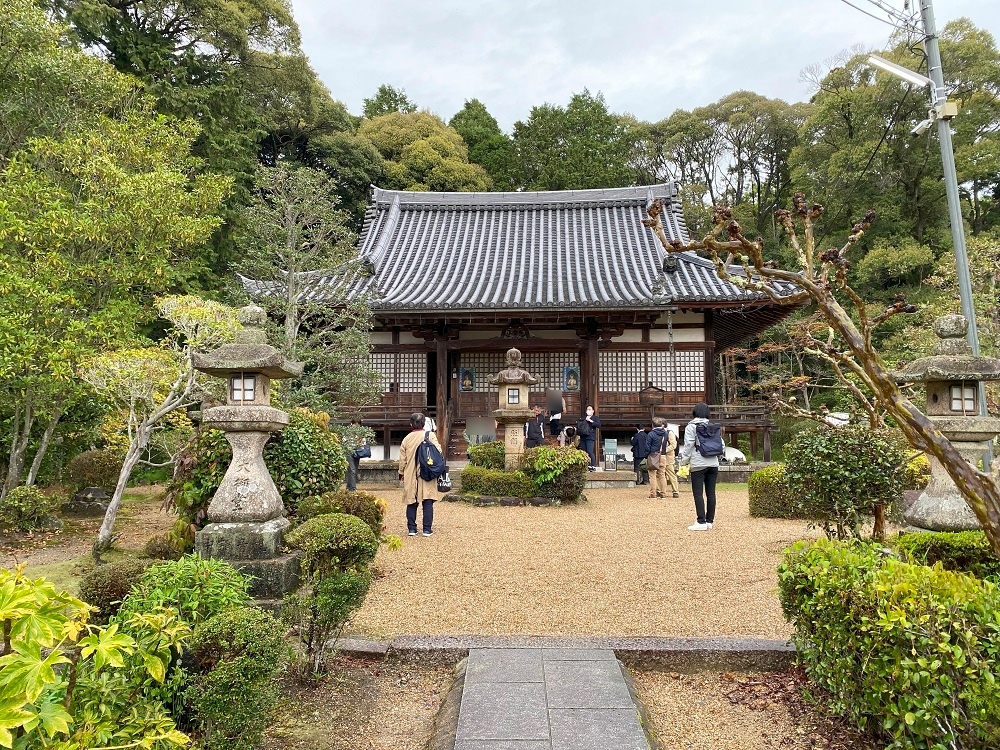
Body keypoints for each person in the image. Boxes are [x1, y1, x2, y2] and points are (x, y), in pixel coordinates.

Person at [398, 412, 442, 536]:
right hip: (427, 473)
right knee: (428, 501)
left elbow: (403, 460)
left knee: (412, 501)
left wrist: (401, 473)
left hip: (411, 473)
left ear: (410, 424)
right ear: (424, 423)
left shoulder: (407, 439)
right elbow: (439, 452)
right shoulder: (430, 435)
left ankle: (412, 529)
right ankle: (427, 529)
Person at [677, 402, 720, 531]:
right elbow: (721, 444)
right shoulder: (712, 426)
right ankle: (709, 521)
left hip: (698, 463)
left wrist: (683, 462)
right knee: (711, 493)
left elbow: (689, 445)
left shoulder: (692, 427)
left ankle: (700, 521)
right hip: (713, 463)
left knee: (698, 493)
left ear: (694, 413)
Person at [645, 417, 678, 499]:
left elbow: (647, 447)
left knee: (652, 475)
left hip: (654, 455)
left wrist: (647, 455)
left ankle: (653, 493)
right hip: (663, 455)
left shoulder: (651, 434)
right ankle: (663, 493)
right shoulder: (665, 433)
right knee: (662, 475)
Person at [576, 405, 600, 471]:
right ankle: (586, 465)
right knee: (584, 451)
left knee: (590, 451)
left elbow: (598, 425)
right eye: (587, 409)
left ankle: (593, 465)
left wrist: (590, 421)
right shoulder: (583, 418)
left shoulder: (595, 418)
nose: (588, 411)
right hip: (583, 436)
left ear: (593, 411)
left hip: (590, 436)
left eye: (589, 409)